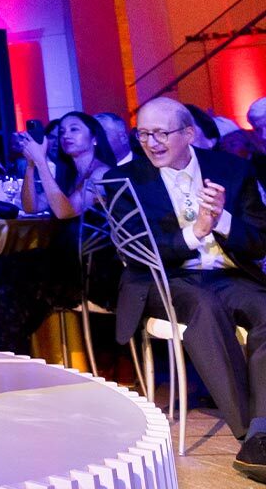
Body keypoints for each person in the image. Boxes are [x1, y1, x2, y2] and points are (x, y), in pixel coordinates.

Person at [103, 97, 266, 479]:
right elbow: (139, 255)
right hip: (165, 279)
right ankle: (250, 438)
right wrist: (196, 232)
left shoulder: (233, 169)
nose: (151, 142)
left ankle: (262, 427)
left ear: (189, 133)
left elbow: (260, 242)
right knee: (203, 306)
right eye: (143, 133)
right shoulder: (123, 180)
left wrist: (222, 219)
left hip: (227, 275)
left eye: (161, 133)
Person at [14, 111, 115, 218]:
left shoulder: (101, 173)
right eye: (62, 132)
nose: (66, 136)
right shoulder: (70, 173)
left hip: (87, 235)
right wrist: (31, 164)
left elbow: (66, 213)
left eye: (74, 129)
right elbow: (31, 208)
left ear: (94, 138)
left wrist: (41, 161)